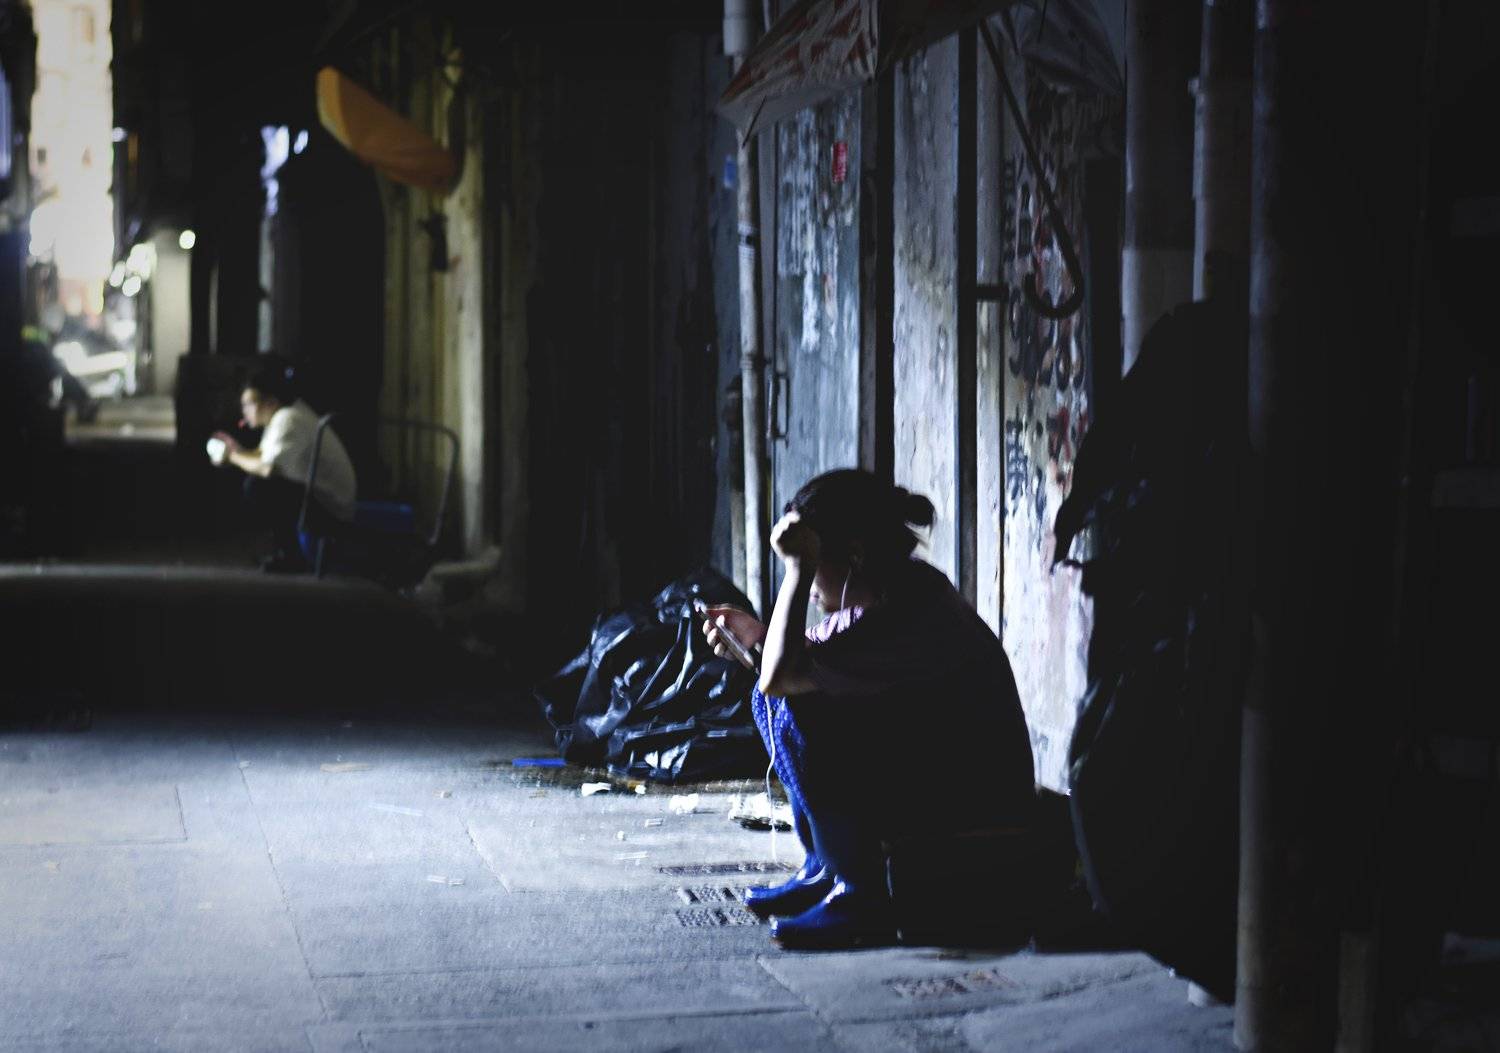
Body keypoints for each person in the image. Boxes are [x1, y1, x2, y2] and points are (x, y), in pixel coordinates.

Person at [701, 469, 1035, 949]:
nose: (809, 585)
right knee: (774, 699)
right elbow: (792, 664)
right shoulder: (884, 594)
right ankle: (825, 868)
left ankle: (861, 893)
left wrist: (795, 571)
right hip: (936, 779)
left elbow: (786, 676)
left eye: (813, 563)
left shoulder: (912, 607)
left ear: (854, 556)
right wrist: (756, 638)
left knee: (797, 707)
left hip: (975, 805)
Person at [210, 364, 357, 572]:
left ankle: (292, 557)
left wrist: (232, 456)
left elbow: (267, 468)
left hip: (332, 510)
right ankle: (290, 554)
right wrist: (236, 451)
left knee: (259, 487)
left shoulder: (288, 420)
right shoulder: (282, 417)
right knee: (260, 484)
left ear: (270, 402)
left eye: (249, 404)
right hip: (324, 500)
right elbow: (263, 455)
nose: (244, 411)